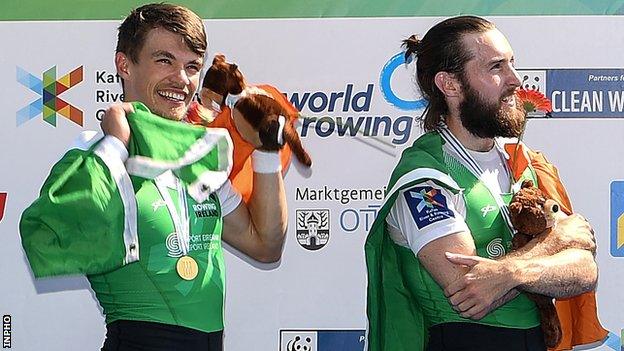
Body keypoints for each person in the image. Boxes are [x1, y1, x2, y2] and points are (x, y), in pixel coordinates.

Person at [20, 3, 287, 351]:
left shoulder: (198, 156)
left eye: (192, 66)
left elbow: (265, 246)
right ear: (124, 64)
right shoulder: (94, 153)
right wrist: (117, 144)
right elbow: (46, 234)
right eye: (165, 60)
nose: (181, 79)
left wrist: (267, 150)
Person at [365, 16, 603, 351]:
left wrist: (508, 273)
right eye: (496, 67)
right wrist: (553, 245)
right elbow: (471, 293)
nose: (515, 80)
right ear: (450, 85)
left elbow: (584, 268)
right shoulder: (424, 178)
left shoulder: (522, 162)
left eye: (512, 64)